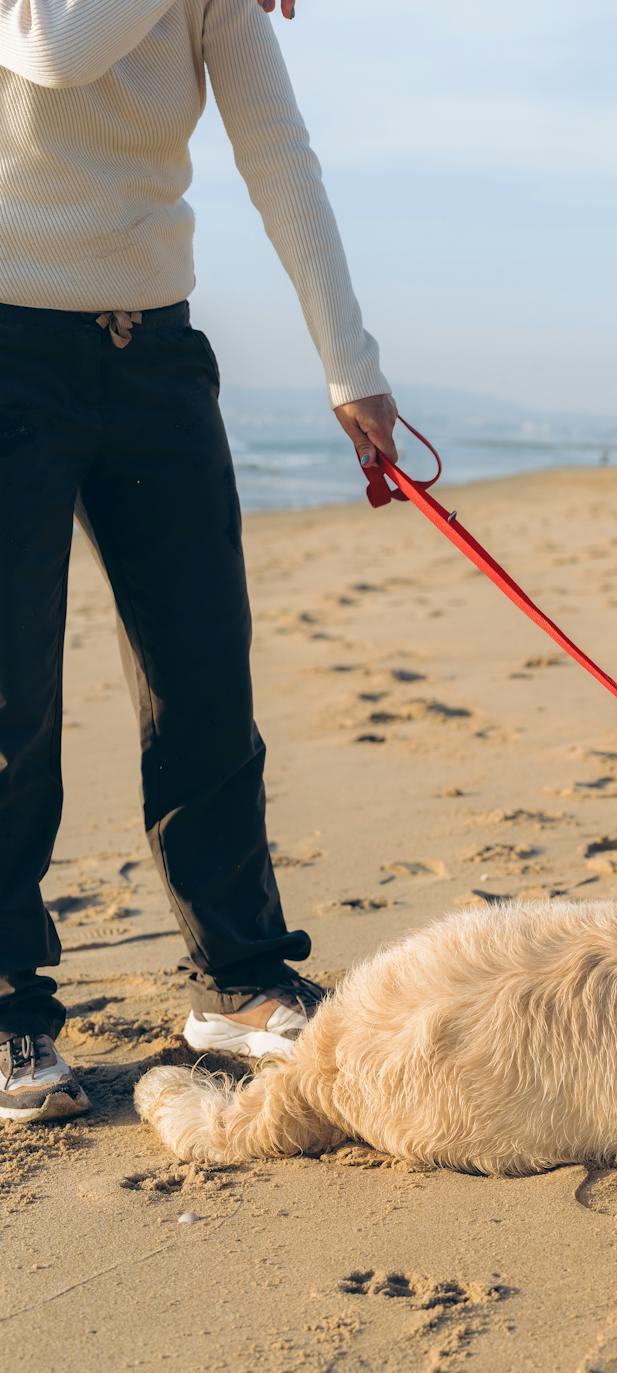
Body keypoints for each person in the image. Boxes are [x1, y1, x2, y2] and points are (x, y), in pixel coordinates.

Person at [1, 0, 398, 1121]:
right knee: (7, 703)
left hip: (153, 356)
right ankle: (10, 1006)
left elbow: (279, 153)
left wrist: (348, 363)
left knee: (204, 685)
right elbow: (53, 50)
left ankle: (248, 972)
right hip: (5, 346)